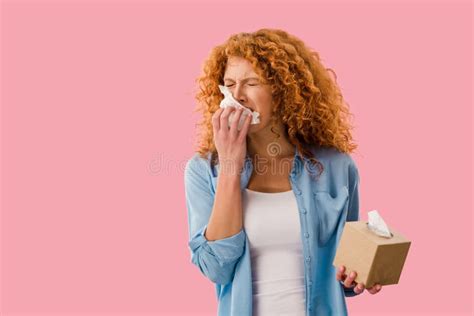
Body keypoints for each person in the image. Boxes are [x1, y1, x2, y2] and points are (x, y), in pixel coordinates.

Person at [184, 28, 382, 316]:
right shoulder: (204, 171)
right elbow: (216, 268)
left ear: (284, 91)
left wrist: (361, 273)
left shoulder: (337, 168)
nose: (237, 96)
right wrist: (230, 164)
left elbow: (345, 270)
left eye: (252, 83)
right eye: (229, 84)